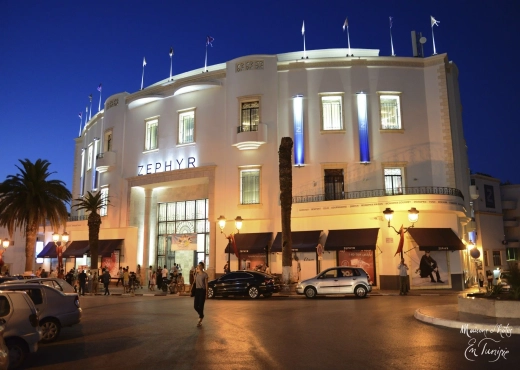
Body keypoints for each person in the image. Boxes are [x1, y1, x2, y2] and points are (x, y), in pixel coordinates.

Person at [192, 262, 209, 327]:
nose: (198, 267)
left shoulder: (205, 275)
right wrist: (194, 273)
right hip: (197, 290)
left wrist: (207, 293)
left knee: (201, 305)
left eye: (199, 266)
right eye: (198, 266)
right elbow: (194, 282)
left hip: (202, 290)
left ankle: (200, 320)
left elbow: (206, 284)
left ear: (202, 267)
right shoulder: (196, 274)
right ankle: (201, 315)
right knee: (195, 306)